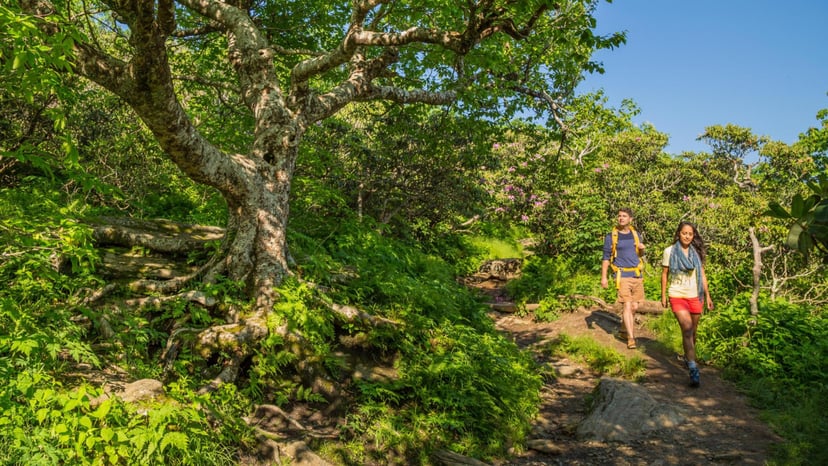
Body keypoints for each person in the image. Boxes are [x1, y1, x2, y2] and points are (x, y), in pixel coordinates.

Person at [660, 221, 714, 387]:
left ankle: (688, 357)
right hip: (677, 294)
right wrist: (663, 295)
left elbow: (702, 275)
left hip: (695, 295)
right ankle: (693, 368)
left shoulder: (696, 253)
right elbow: (665, 274)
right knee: (688, 329)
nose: (687, 236)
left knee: (693, 333)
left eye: (690, 234)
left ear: (693, 236)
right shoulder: (669, 251)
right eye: (684, 233)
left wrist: (708, 295)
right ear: (679, 233)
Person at [601, 208, 646, 349]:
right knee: (627, 304)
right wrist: (604, 277)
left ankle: (623, 330)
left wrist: (642, 249)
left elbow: (640, 254)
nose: (621, 218)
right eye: (619, 216)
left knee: (634, 307)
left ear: (630, 219)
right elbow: (606, 258)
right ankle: (631, 338)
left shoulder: (636, 235)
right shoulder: (611, 236)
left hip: (637, 274)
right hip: (622, 275)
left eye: (624, 216)